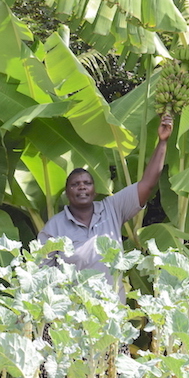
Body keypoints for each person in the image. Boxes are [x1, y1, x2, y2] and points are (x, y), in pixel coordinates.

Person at [37, 114, 173, 296]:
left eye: (87, 183)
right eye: (75, 184)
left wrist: (162, 142)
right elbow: (41, 275)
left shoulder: (112, 208)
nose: (82, 187)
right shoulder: (54, 227)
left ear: (95, 190)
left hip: (112, 315)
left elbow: (147, 184)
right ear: (67, 193)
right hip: (74, 318)